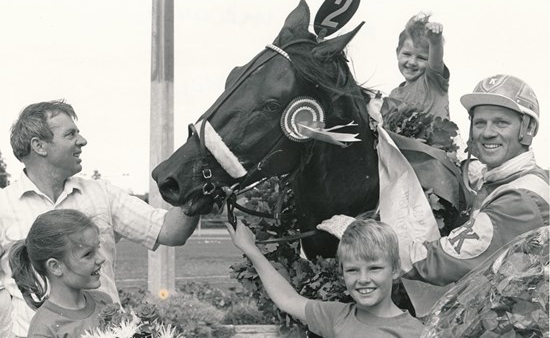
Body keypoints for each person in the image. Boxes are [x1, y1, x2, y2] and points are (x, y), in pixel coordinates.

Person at [0, 100, 200, 337]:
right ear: (39, 146)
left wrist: (200, 183)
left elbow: (170, 230)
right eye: (70, 134)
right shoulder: (3, 205)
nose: (82, 141)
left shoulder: (101, 193)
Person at [402, 74, 549, 285]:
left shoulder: (520, 200)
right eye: (480, 123)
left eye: (501, 123)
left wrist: (378, 246)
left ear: (528, 129)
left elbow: (441, 262)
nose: (487, 133)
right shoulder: (505, 176)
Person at [227, 218, 425, 338]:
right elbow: (288, 300)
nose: (363, 279)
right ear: (342, 273)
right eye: (353, 270)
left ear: (395, 269)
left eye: (374, 268)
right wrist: (250, 249)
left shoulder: (416, 332)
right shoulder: (337, 316)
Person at [9, 209, 112, 337]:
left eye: (97, 248)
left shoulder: (104, 303)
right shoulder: (44, 329)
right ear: (55, 266)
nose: (101, 258)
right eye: (87, 254)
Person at [380, 13, 450, 120]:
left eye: (421, 58)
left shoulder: (433, 81)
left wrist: (435, 42)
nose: (412, 62)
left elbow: (436, 60)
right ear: (397, 52)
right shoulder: (393, 95)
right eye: (407, 54)